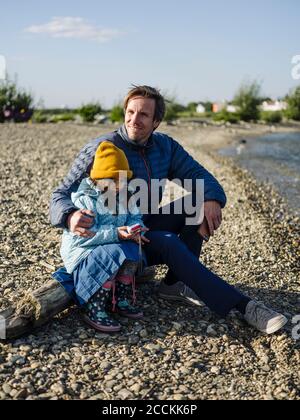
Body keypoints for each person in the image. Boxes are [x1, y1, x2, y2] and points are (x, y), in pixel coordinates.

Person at [51, 85, 287, 335]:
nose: (134, 120)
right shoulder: (103, 148)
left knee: (197, 203)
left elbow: (199, 176)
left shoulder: (165, 147)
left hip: (141, 226)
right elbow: (60, 194)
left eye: (143, 115)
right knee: (168, 242)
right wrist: (70, 215)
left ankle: (174, 283)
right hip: (108, 240)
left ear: (156, 121)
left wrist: (212, 199)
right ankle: (244, 307)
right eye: (130, 112)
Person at [57, 142, 148, 332]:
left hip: (112, 243)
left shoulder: (126, 195)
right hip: (84, 251)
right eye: (113, 180)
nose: (119, 184)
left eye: (122, 179)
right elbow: (85, 236)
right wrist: (117, 233)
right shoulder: (85, 199)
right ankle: (94, 306)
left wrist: (137, 230)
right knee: (114, 251)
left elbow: (135, 217)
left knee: (132, 250)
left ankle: (120, 298)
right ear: (99, 178)